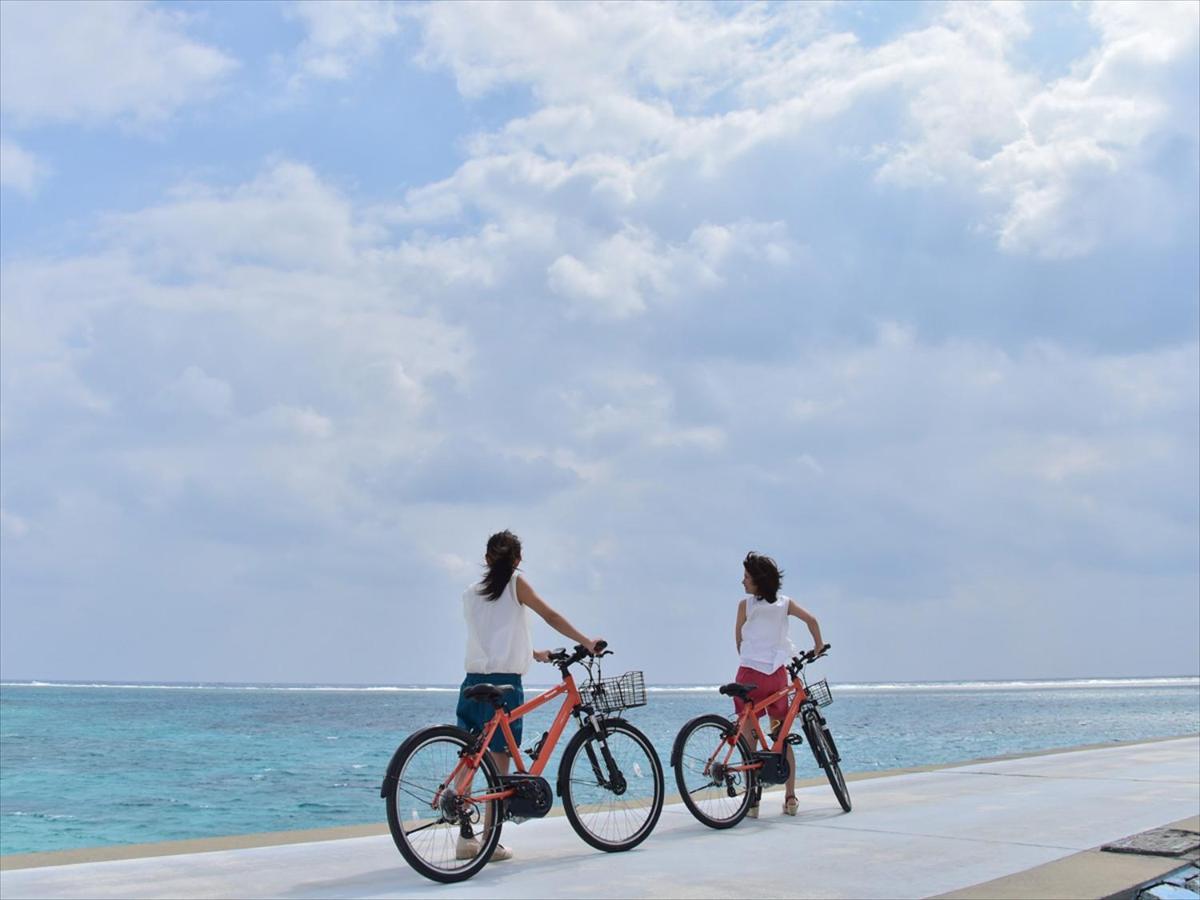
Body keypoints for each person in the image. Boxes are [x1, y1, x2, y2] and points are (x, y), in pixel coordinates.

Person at [455, 529, 601, 862]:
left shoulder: (470, 593)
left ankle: (463, 833)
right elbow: (550, 615)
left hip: (473, 680)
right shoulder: (516, 585)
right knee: (500, 761)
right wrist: (586, 640)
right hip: (505, 683)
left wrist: (534, 653)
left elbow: (489, 635)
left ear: (487, 557)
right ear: (517, 560)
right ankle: (490, 842)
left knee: (471, 755)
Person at [734, 551, 824, 817]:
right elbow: (812, 620)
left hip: (748, 675)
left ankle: (752, 801)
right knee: (781, 738)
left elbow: (738, 640)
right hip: (775, 677)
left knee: (749, 740)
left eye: (746, 578)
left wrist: (750, 658)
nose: (743, 582)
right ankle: (791, 798)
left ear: (758, 582)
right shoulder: (785, 603)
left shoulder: (744, 606)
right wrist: (818, 646)